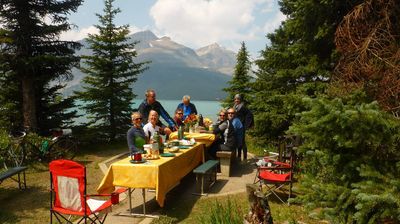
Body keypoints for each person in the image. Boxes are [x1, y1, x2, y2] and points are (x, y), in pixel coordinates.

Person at [234, 94, 253, 160]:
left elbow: (250, 115)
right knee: (238, 141)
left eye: (238, 99)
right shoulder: (235, 106)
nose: (236, 100)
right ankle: (239, 156)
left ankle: (245, 158)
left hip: (241, 127)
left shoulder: (243, 107)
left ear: (240, 100)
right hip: (237, 127)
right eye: (235, 99)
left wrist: (246, 125)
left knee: (242, 142)